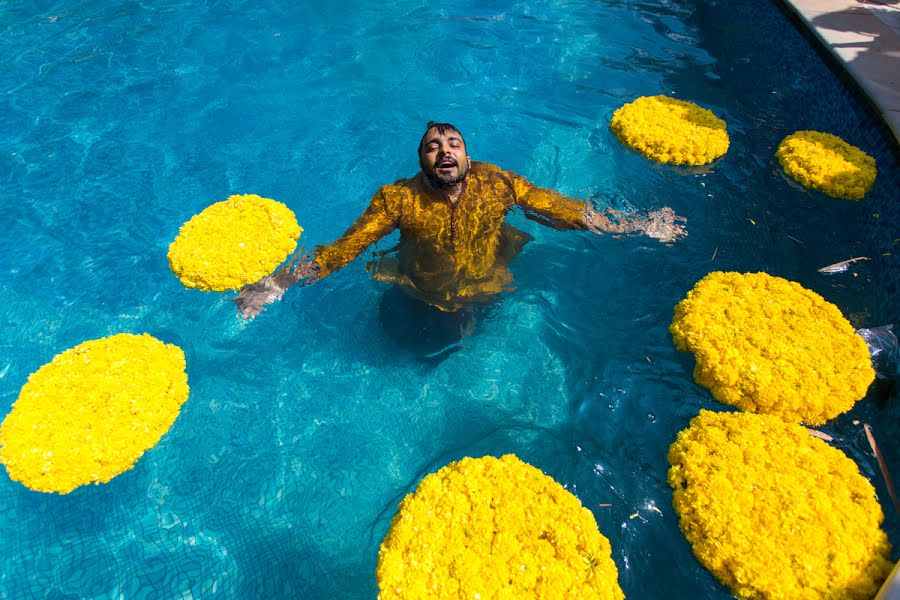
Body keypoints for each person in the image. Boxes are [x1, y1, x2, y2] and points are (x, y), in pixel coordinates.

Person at [235, 121, 686, 319]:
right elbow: (345, 248)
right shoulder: (399, 199)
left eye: (453, 143)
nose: (445, 149)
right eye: (433, 146)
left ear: (468, 156)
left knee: (471, 327)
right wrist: (279, 283)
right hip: (419, 285)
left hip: (488, 281)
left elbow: (559, 209)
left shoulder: (498, 184)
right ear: (421, 160)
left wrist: (637, 225)